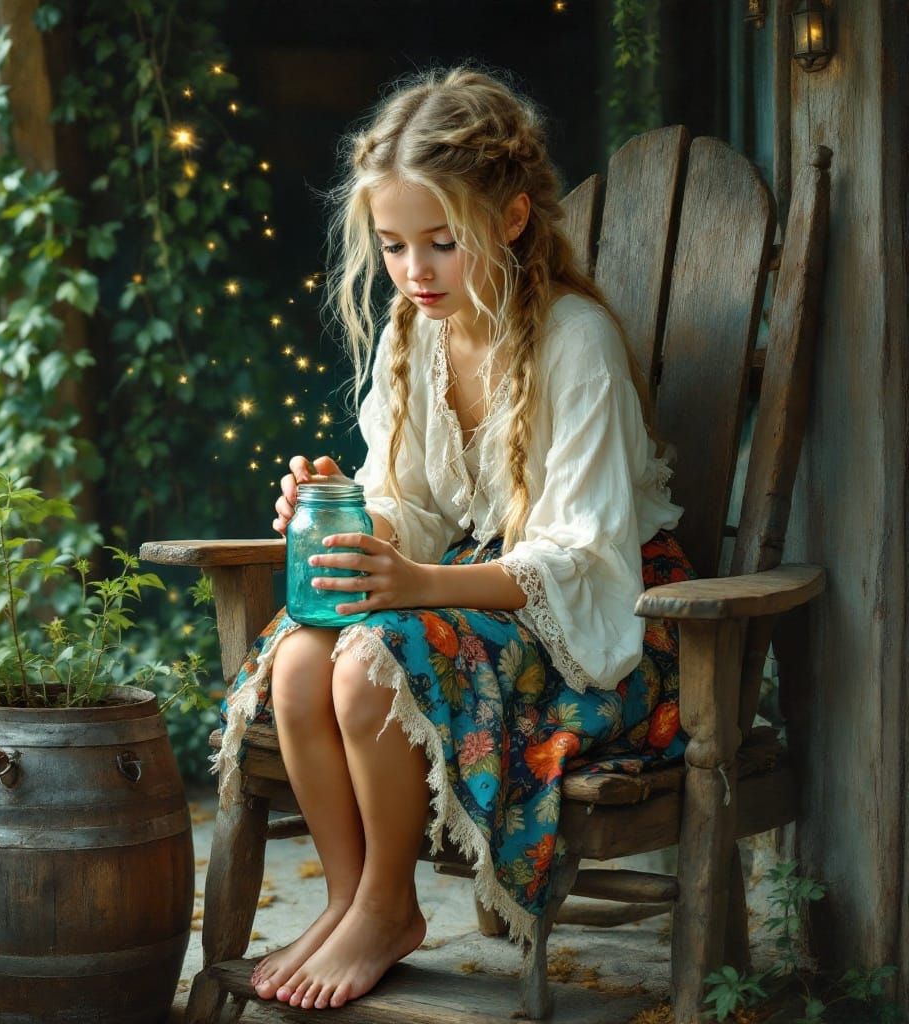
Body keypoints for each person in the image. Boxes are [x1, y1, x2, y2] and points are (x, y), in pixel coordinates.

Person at [216, 66, 696, 1012]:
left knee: (365, 664)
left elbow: (584, 559)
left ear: (512, 218)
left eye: (440, 243)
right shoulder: (416, 337)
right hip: (472, 591)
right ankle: (355, 896)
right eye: (393, 247)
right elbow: (412, 505)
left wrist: (415, 583)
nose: (414, 272)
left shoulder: (576, 342)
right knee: (302, 664)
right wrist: (340, 515)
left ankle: (391, 901)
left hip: (602, 629)